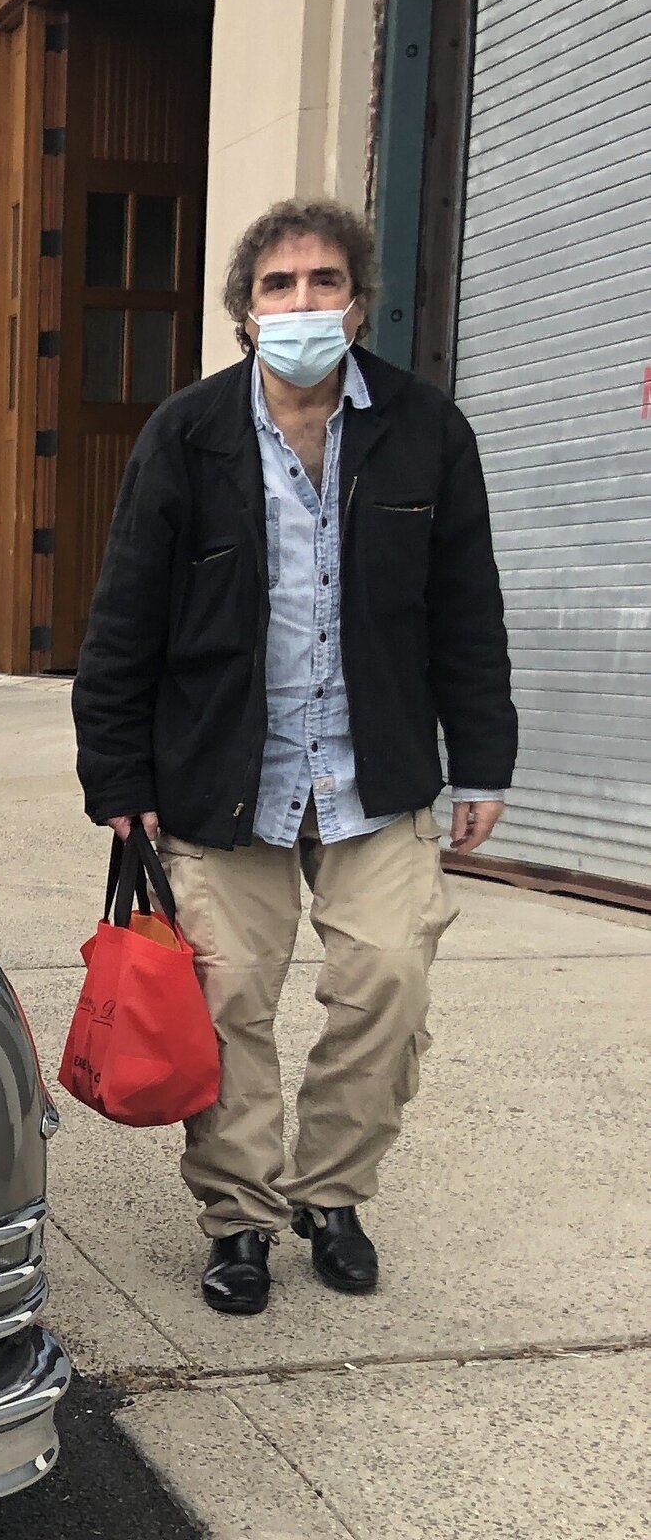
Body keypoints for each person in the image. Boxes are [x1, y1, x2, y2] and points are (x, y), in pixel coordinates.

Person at [72, 200, 517, 1315]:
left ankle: (329, 1194)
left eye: (324, 282)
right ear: (244, 315)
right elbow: (124, 618)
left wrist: (484, 761)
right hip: (224, 778)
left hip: (374, 777)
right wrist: (117, 780)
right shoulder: (186, 434)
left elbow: (466, 611)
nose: (303, 303)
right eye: (279, 287)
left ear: (358, 303)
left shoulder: (425, 432)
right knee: (227, 1004)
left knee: (387, 983)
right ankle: (239, 1221)